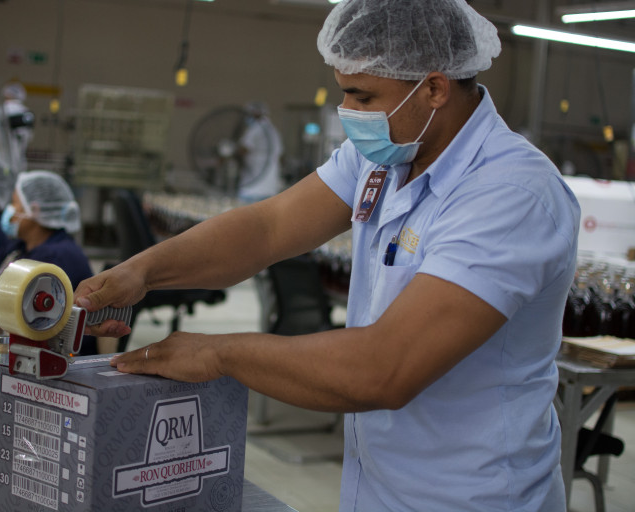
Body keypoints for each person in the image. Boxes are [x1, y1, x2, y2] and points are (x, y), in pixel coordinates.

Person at [75, 1, 580, 510]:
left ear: (434, 88)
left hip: (470, 495)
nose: (349, 111)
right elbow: (268, 228)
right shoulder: (385, 156)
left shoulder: (510, 193)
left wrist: (219, 354)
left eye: (363, 96)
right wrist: (141, 272)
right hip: (377, 485)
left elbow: (385, 368)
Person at [0, 170, 96, 354]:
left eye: (15, 204)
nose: (10, 211)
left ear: (35, 210)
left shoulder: (56, 258)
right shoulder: (20, 246)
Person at [236, 101, 284, 202]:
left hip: (254, 183)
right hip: (270, 184)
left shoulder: (255, 129)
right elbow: (280, 155)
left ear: (255, 113)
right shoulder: (273, 130)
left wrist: (232, 151)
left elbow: (244, 149)